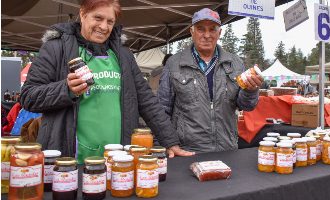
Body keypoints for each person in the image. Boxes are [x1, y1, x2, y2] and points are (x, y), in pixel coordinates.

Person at [20, 0, 179, 163]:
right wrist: (65, 89)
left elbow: (147, 101)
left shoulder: (123, 55)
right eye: (98, 18)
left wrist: (170, 141)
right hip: (69, 160)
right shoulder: (56, 49)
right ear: (83, 14)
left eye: (110, 21)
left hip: (118, 160)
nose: (104, 27)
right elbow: (28, 97)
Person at [158, 8, 263, 154]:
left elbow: (246, 106)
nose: (206, 35)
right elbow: (162, 110)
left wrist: (251, 91)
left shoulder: (235, 63)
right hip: (187, 152)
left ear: (219, 33)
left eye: (212, 29)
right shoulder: (174, 64)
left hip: (227, 150)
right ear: (192, 32)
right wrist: (166, 144)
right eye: (201, 29)